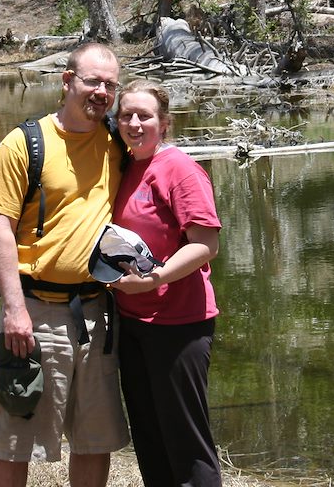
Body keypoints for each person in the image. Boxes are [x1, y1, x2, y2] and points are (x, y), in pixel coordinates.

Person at [0, 41, 129, 487]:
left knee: (94, 441)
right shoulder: (25, 143)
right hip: (35, 313)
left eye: (110, 85)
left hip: (97, 315)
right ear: (67, 81)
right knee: (14, 439)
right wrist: (14, 309)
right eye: (92, 81)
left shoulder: (118, 141)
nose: (101, 92)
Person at [111, 79, 222, 487]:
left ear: (165, 122)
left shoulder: (179, 169)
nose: (135, 123)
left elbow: (206, 246)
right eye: (127, 115)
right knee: (150, 439)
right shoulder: (125, 166)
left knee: (186, 443)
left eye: (145, 116)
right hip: (134, 323)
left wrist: (154, 278)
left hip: (179, 324)